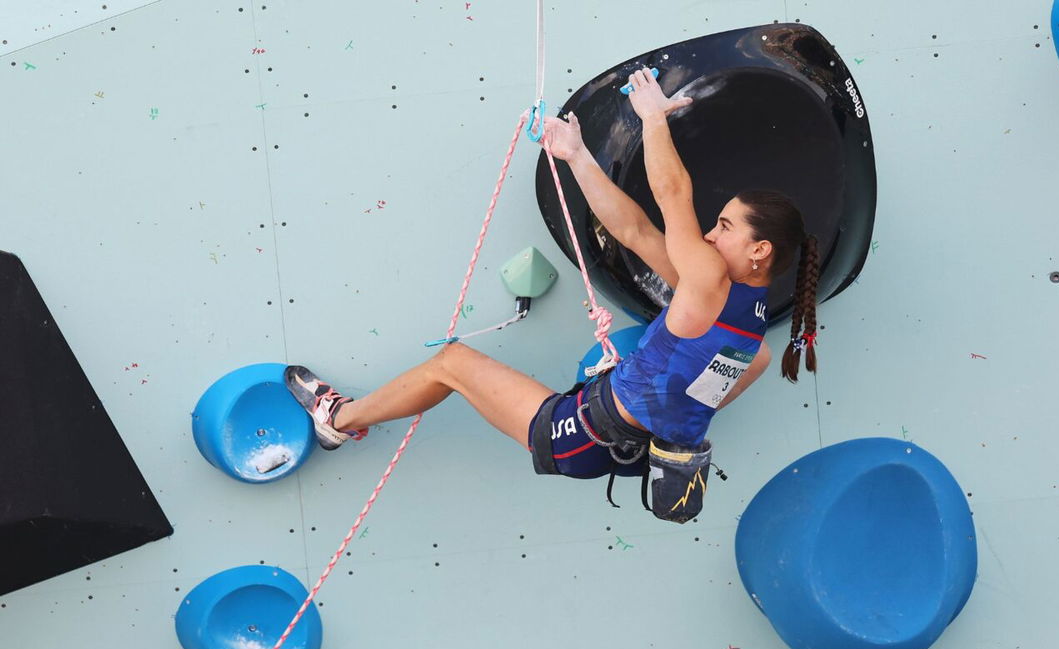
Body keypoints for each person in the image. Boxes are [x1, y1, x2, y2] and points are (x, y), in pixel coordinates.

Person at [285, 67, 821, 519]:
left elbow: (671, 194)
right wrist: (576, 156)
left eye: (726, 226)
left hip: (582, 433)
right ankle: (344, 420)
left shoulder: (704, 281)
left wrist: (653, 117)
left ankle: (337, 423)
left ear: (760, 250)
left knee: (450, 364)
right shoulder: (753, 336)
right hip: (620, 445)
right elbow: (634, 232)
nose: (709, 233)